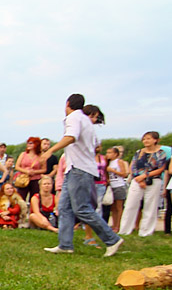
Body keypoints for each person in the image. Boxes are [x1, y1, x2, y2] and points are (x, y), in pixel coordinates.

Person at [40, 94, 123, 256]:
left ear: (68, 104)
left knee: (82, 208)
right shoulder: (85, 121)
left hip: (79, 169)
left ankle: (112, 239)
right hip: (74, 169)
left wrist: (50, 150)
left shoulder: (74, 118)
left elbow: (71, 137)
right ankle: (65, 244)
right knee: (64, 208)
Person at [118, 131, 168, 237]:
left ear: (155, 140)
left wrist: (145, 176)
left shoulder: (161, 153)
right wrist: (139, 179)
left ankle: (146, 231)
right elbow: (134, 165)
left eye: (148, 138)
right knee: (130, 204)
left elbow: (161, 168)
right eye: (144, 139)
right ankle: (125, 229)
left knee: (150, 205)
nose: (146, 141)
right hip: (137, 180)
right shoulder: (139, 152)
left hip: (153, 180)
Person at [13, 137, 45, 202]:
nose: (28, 145)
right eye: (28, 143)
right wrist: (26, 171)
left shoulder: (41, 156)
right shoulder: (23, 154)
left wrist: (35, 172)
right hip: (23, 179)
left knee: (35, 197)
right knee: (20, 197)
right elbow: (17, 166)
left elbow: (44, 169)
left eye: (31, 143)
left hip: (35, 179)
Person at [105, 146, 128, 232]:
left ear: (115, 154)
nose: (108, 155)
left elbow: (124, 173)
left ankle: (119, 225)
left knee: (119, 207)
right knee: (113, 207)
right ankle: (114, 225)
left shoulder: (119, 162)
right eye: (107, 153)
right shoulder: (107, 163)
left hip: (119, 185)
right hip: (111, 186)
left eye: (110, 153)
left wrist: (113, 171)